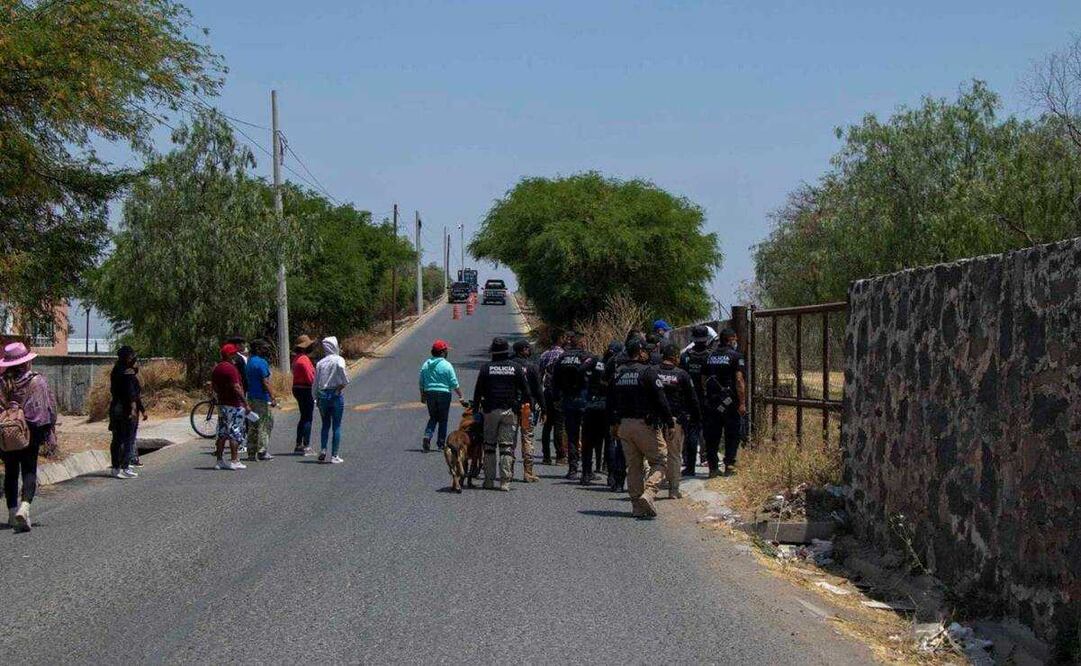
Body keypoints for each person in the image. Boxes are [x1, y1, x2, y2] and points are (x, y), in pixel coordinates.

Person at [608, 338, 672, 519]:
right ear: (640, 352)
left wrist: (613, 424)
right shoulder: (648, 372)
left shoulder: (618, 373)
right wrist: (670, 422)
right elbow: (661, 399)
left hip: (624, 425)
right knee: (660, 461)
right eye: (645, 351)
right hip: (645, 425)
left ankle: (637, 506)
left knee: (634, 467)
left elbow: (610, 401)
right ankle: (649, 493)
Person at [0, 342, 57, 532]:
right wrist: (49, 432)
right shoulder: (37, 381)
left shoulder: (2, 382)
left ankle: (11, 513)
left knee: (10, 472)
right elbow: (47, 409)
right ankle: (24, 508)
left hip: (6, 433)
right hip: (30, 432)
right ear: (26, 362)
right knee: (29, 470)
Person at [472, 337, 529, 491]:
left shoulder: (486, 368)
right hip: (509, 412)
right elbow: (526, 391)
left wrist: (475, 411)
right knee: (506, 448)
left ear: (493, 352)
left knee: (489, 447)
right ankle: (505, 482)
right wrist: (520, 405)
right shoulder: (516, 368)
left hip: (490, 412)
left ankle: (489, 481)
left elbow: (478, 392)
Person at [655, 342, 701, 499]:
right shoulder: (682, 375)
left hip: (654, 420)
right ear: (675, 357)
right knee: (674, 455)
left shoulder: (653, 372)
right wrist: (696, 417)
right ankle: (673, 490)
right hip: (674, 421)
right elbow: (692, 399)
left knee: (655, 454)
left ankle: (652, 487)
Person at [699, 328, 747, 477]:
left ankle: (713, 468)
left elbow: (703, 380)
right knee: (732, 434)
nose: (736, 342)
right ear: (731, 339)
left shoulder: (709, 356)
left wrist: (709, 396)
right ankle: (729, 466)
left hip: (712, 402)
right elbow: (739, 380)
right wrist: (742, 403)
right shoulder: (736, 356)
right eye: (735, 339)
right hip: (730, 402)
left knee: (712, 435)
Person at [551, 331, 596, 479]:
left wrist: (556, 398)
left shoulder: (562, 358)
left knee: (572, 436)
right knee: (587, 436)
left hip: (568, 401)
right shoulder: (589, 357)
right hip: (585, 400)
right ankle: (587, 470)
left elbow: (555, 380)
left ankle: (572, 468)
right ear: (582, 343)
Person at [679, 325, 715, 476]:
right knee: (710, 433)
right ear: (707, 339)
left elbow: (681, 378)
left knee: (692, 434)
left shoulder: (685, 356)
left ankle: (690, 467)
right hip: (708, 400)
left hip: (689, 400)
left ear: (693, 339)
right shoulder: (711, 356)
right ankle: (713, 467)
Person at [419, 339, 463, 452]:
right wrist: (460, 395)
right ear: (442, 352)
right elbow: (453, 382)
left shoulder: (426, 364)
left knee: (433, 417)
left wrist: (422, 395)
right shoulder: (447, 365)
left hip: (430, 393)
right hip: (444, 394)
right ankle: (441, 443)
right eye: (446, 350)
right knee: (443, 419)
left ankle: (427, 436)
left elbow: (421, 381)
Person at [211, 344, 249, 471]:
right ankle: (234, 460)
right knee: (235, 432)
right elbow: (236, 387)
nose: (235, 356)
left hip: (222, 404)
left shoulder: (217, 368)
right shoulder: (231, 369)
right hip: (234, 404)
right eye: (233, 354)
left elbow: (214, 387)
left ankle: (219, 460)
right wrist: (245, 403)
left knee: (222, 433)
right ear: (228, 355)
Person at [107, 345, 142, 479]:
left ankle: (119, 467)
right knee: (126, 438)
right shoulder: (126, 372)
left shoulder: (118, 369)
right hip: (124, 408)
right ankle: (122, 467)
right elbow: (131, 393)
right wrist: (133, 409)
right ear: (128, 357)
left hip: (117, 407)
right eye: (132, 356)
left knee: (119, 439)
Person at [314, 336, 349, 463]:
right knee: (336, 426)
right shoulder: (339, 360)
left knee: (325, 425)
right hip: (335, 395)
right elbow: (345, 379)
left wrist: (315, 398)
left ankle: (323, 449)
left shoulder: (320, 363)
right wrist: (341, 386)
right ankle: (334, 456)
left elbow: (315, 383)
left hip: (322, 395)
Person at [510, 340, 542, 482]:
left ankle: (508, 472)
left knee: (510, 440)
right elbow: (538, 390)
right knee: (527, 438)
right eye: (528, 348)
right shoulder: (532, 366)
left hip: (511, 407)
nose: (529, 350)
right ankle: (528, 473)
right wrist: (544, 408)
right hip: (527, 408)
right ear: (522, 350)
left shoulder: (509, 365)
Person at [244, 340, 277, 461]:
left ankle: (251, 451)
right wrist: (273, 397)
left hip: (251, 397)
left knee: (253, 425)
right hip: (261, 398)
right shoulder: (261, 362)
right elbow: (265, 382)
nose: (266, 350)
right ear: (258, 349)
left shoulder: (249, 362)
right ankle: (262, 451)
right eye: (264, 348)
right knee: (265, 424)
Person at [536, 332, 567, 465]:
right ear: (560, 339)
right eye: (564, 337)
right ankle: (560, 456)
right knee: (559, 425)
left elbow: (539, 376)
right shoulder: (564, 355)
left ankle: (546, 456)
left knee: (547, 425)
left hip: (547, 392)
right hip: (559, 393)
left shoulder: (544, 355)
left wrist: (538, 396)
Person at [578, 351, 608, 485]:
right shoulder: (614, 364)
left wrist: (585, 381)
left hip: (591, 405)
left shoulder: (595, 361)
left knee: (588, 441)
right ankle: (612, 478)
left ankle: (586, 473)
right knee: (608, 441)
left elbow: (581, 370)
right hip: (606, 406)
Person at [291, 335, 316, 455]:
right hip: (305, 388)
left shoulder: (296, 359)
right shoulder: (304, 359)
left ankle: (298, 444)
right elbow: (310, 377)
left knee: (303, 416)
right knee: (307, 417)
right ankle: (306, 445)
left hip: (297, 388)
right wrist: (316, 388)